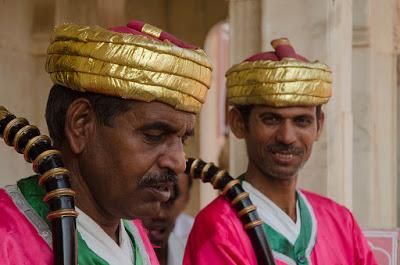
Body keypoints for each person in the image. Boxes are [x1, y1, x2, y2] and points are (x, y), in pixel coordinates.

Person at [0, 20, 211, 265]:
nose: (178, 163)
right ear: (81, 125)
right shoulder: (7, 238)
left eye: (183, 139)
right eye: (154, 135)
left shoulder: (133, 232)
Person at [183, 38, 377, 265]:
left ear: (319, 126)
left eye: (302, 121)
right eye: (271, 119)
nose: (287, 136)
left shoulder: (341, 222)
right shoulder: (219, 228)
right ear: (238, 123)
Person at [143, 173, 194, 265]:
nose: (160, 215)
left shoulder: (195, 241)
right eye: (150, 199)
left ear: (186, 198)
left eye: (169, 201)